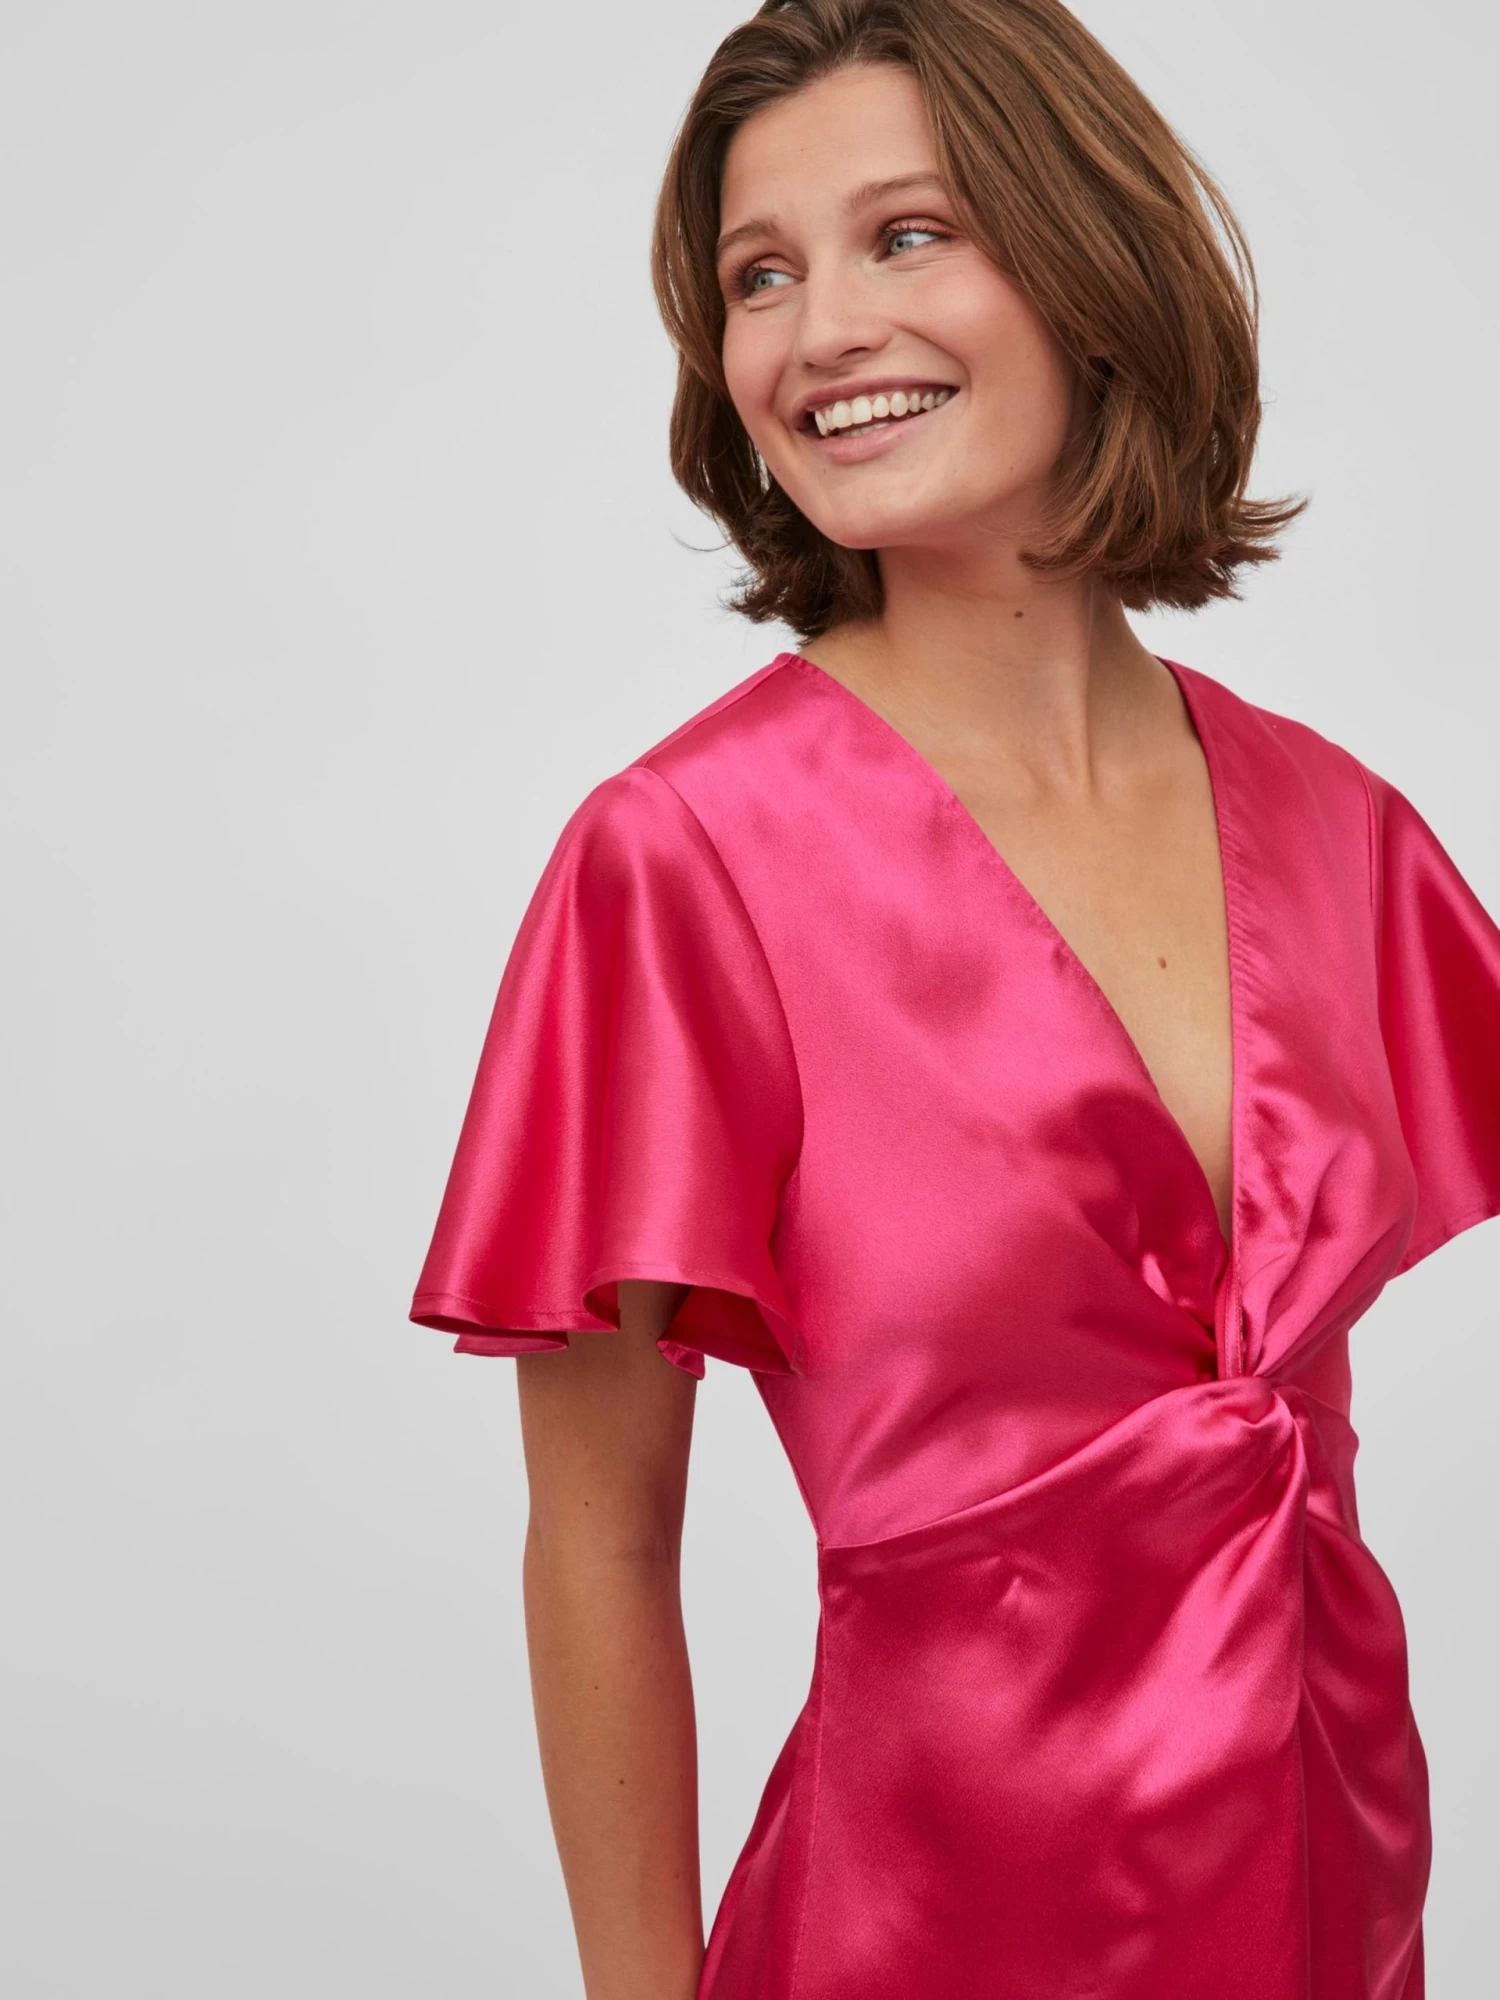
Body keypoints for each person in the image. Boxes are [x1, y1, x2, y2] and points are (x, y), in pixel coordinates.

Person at [409, 2, 1500, 1994]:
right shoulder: (686, 860)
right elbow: (602, 1544)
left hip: (1333, 1911)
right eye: (759, 276)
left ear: (1091, 266)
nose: (818, 330)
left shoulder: (1344, 829)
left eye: (906, 234)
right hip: (918, 1933)